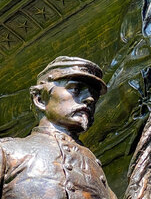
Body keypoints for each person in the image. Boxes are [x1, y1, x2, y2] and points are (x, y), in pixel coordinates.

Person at [0, 56, 117, 199]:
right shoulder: (7, 152)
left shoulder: (96, 170)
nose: (90, 99)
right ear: (40, 99)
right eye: (76, 89)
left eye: (94, 95)